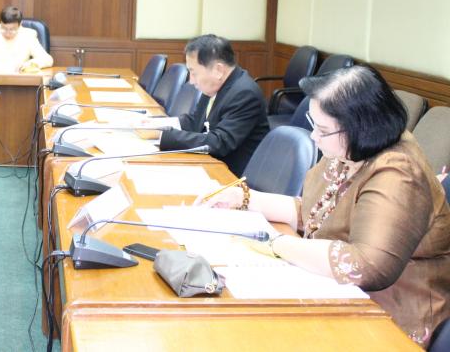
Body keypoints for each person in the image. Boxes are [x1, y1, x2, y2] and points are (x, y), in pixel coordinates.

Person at [198, 65, 450, 346]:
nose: (314, 137)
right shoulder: (351, 148)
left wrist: (275, 244)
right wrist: (244, 198)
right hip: (338, 291)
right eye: (314, 124)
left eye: (323, 129)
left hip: (389, 314)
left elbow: (363, 265)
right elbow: (315, 212)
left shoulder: (398, 173)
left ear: (360, 127)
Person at [158, 34, 269, 175]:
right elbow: (195, 121)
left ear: (218, 70)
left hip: (232, 175)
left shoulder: (245, 93)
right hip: (211, 163)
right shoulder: (214, 86)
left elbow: (220, 142)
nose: (191, 81)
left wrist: (165, 136)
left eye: (194, 73)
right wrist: (155, 125)